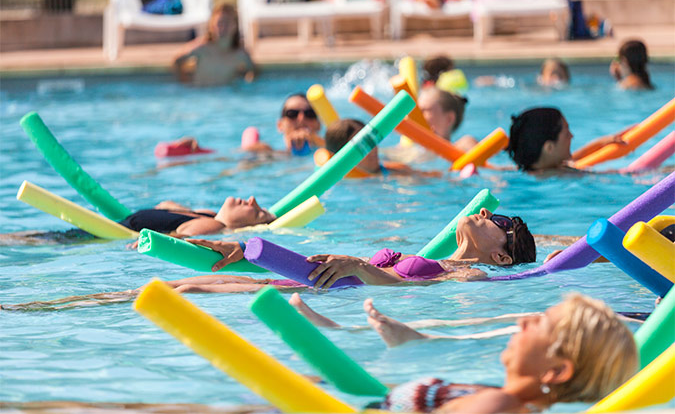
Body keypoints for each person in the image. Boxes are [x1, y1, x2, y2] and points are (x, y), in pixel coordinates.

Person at [1, 209, 536, 308]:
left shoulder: (465, 271)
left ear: (504, 256)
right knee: (182, 283)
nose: (488, 213)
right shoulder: (430, 255)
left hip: (334, 297)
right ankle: (61, 302)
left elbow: (409, 290)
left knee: (181, 292)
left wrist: (357, 266)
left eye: (501, 222)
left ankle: (53, 306)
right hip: (317, 286)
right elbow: (337, 267)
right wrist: (250, 255)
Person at [295, 294, 638, 413]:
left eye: (540, 323)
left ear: (556, 372)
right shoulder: (500, 399)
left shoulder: (500, 405)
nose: (523, 320)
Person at [0, 196, 275, 246]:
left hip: (105, 234)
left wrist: (149, 241)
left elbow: (181, 238)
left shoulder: (214, 226)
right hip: (117, 222)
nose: (252, 200)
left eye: (258, 211)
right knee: (41, 235)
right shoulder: (207, 215)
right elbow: (167, 206)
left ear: (246, 226)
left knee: (42, 239)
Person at [506, 107, 627, 172]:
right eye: (566, 131)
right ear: (549, 147)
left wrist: (600, 143)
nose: (571, 136)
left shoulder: (521, 169)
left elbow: (573, 158)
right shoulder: (563, 175)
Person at [324, 118, 441, 177]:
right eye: (361, 146)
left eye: (371, 141)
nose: (372, 149)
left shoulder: (397, 172)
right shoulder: (335, 183)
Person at [173, 4, 255, 86]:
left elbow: (253, 71)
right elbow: (177, 60)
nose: (223, 28)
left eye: (227, 23)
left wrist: (245, 85)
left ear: (234, 26)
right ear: (212, 27)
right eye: (219, 23)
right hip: (201, 95)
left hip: (226, 96)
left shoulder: (240, 54)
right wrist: (185, 83)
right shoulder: (202, 48)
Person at [416, 87, 477, 151]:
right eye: (417, 110)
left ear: (449, 119)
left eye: (424, 111)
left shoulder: (462, 147)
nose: (416, 115)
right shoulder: (410, 150)